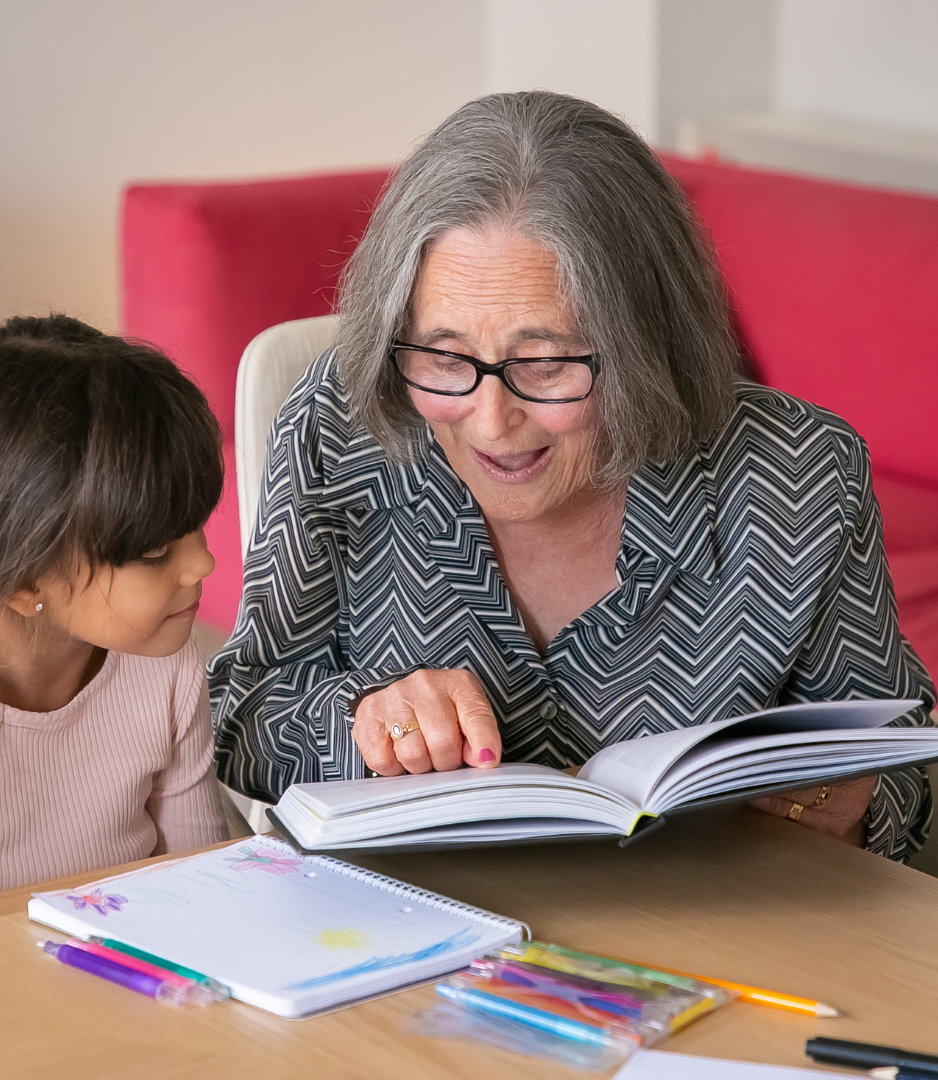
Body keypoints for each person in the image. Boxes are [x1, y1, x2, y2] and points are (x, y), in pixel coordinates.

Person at [211, 92, 934, 862]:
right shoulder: (344, 423)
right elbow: (244, 711)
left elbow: (902, 755)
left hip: (711, 938)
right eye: (445, 358)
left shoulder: (799, 473)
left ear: (646, 346)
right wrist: (361, 719)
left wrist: (848, 805)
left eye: (548, 364)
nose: (490, 421)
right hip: (405, 930)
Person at [0, 315, 228, 918]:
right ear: (24, 577)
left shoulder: (164, 666)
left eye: (197, 525)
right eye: (156, 551)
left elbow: (200, 891)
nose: (203, 563)